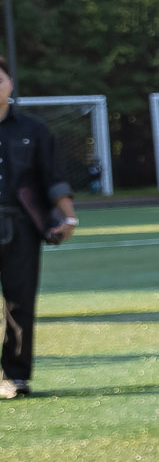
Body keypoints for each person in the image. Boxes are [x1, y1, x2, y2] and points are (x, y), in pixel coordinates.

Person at [0, 60, 77, 399]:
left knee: (20, 303)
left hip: (20, 225)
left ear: (10, 84)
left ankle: (15, 376)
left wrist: (68, 218)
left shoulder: (34, 129)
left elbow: (53, 178)